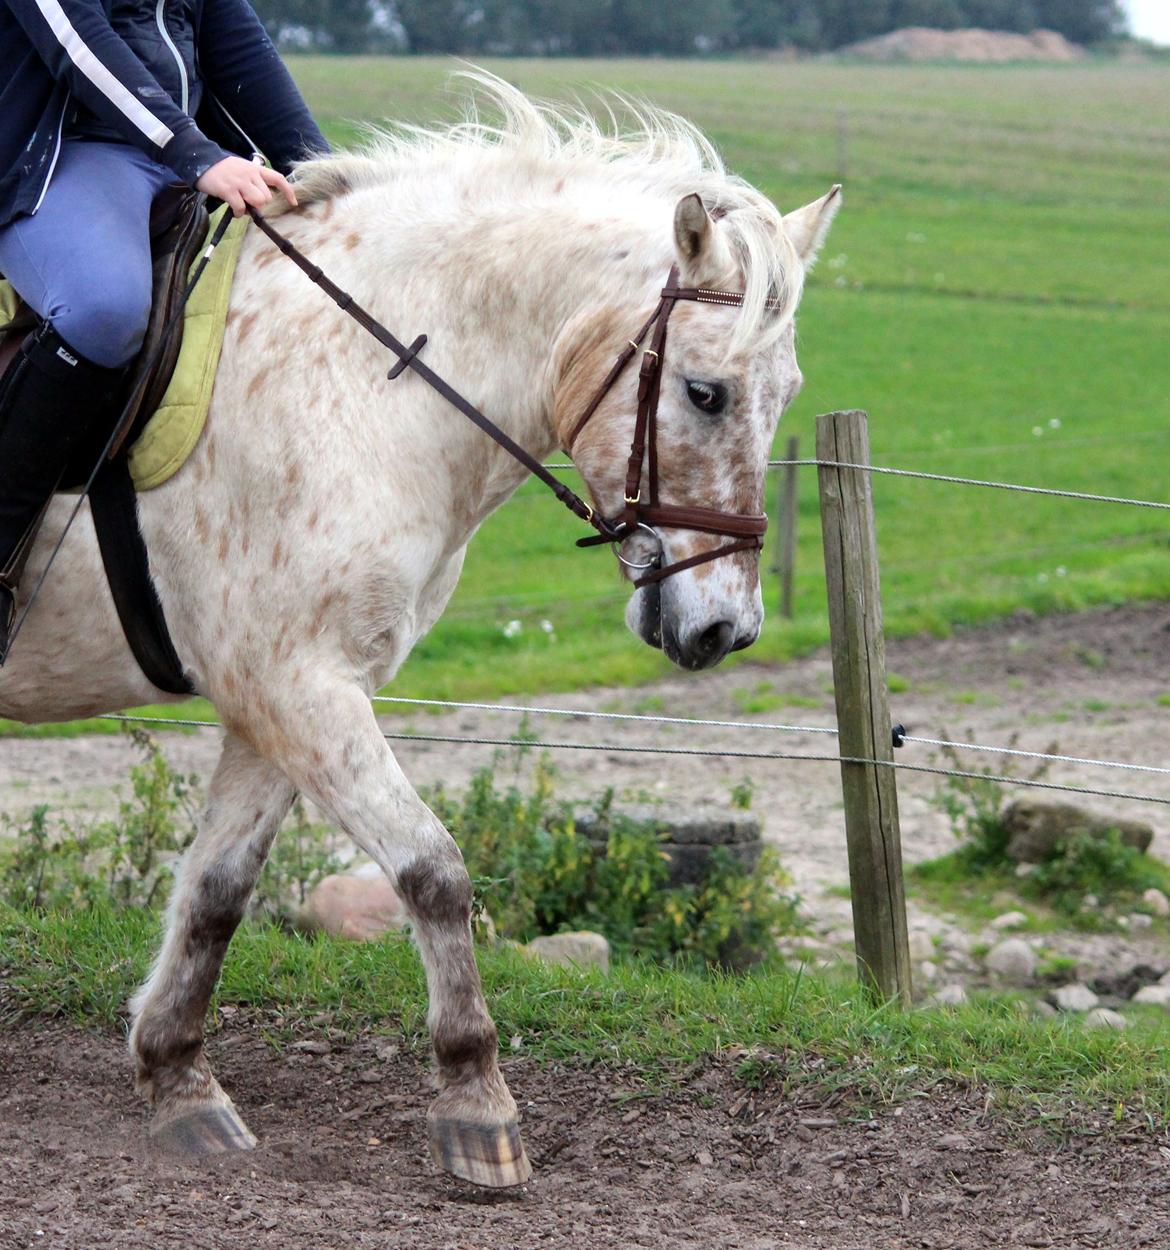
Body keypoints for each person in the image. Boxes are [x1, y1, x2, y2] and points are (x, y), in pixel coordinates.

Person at [0, 0, 329, 660]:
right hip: (71, 157)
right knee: (104, 308)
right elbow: (79, 44)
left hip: (187, 155)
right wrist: (195, 152)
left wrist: (325, 174)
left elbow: (238, 50)